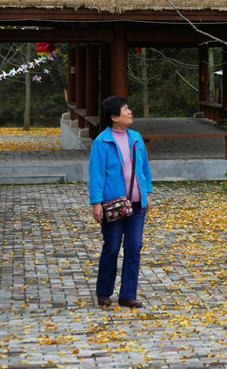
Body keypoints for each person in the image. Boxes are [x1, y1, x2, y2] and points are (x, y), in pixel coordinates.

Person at [89, 96, 152, 309]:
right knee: (112, 247)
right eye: (126, 110)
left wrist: (148, 193)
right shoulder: (102, 142)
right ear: (115, 116)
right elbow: (96, 173)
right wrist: (96, 202)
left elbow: (144, 170)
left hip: (136, 205)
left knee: (134, 248)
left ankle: (127, 295)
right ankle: (103, 292)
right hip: (113, 206)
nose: (130, 112)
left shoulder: (136, 138)